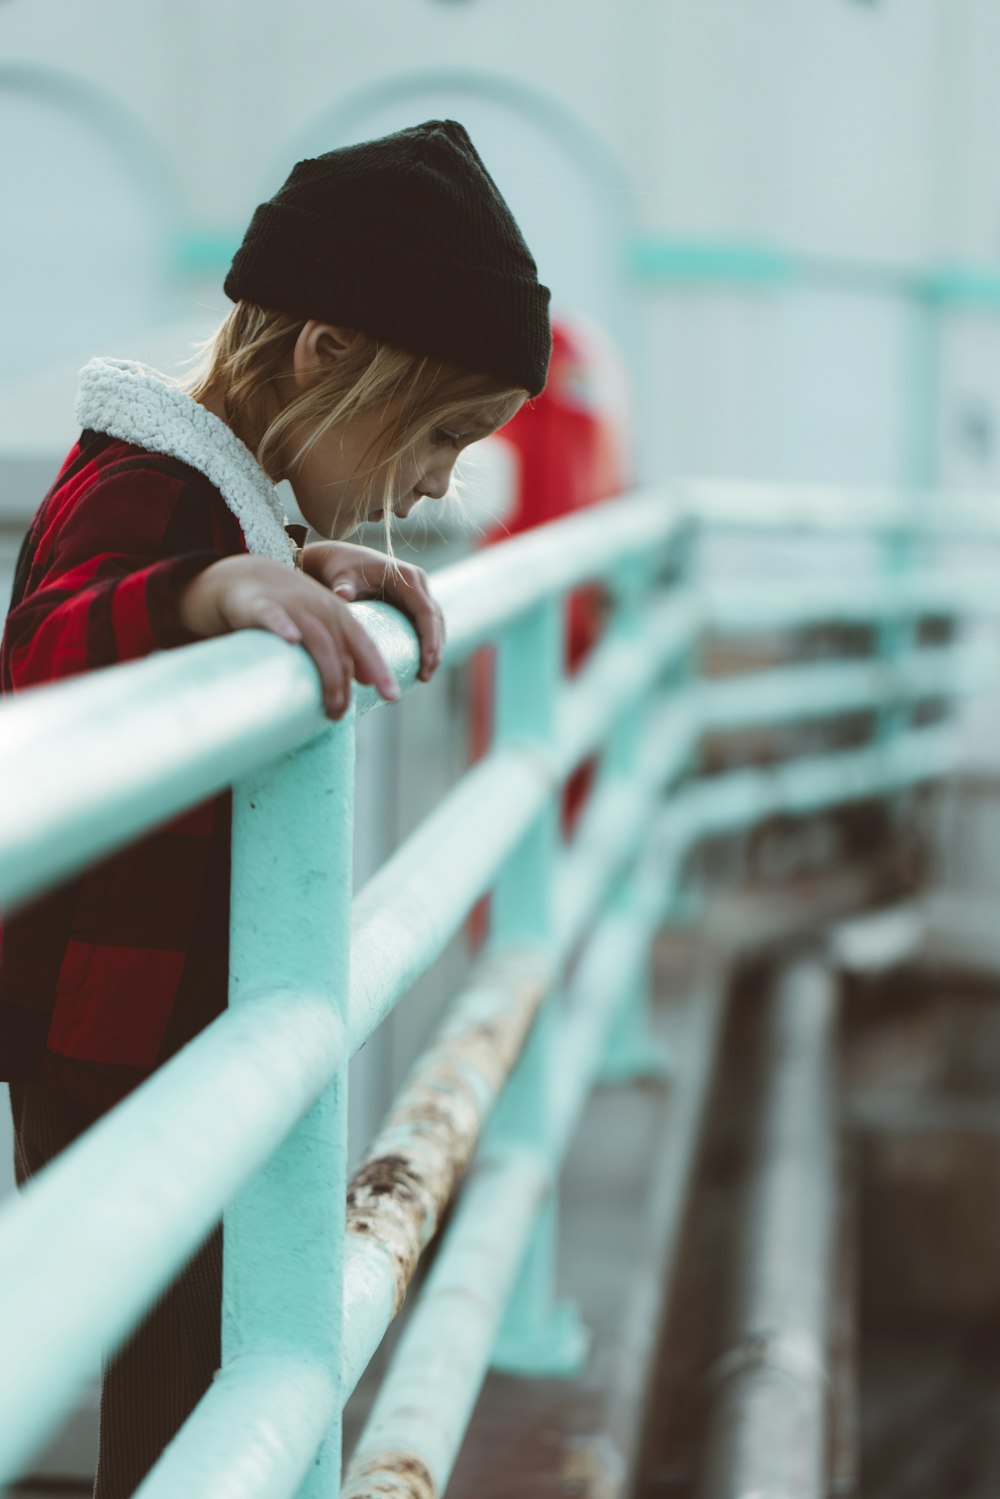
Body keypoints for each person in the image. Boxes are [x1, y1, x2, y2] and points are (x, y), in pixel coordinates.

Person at [0, 119, 550, 1498]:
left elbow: (195, 546)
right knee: (192, 1368)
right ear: (322, 355)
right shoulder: (149, 492)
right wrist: (216, 595)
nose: (438, 482)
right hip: (114, 1039)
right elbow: (49, 645)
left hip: (143, 1020)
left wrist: (291, 556)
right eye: (440, 432)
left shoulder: (199, 487)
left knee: (200, 1351)